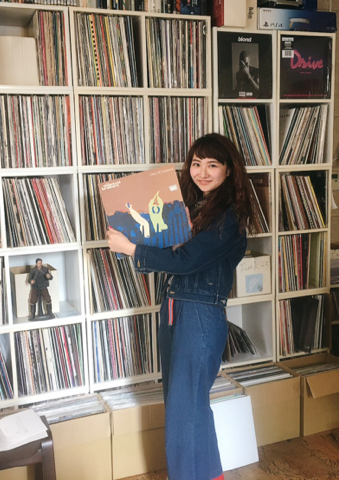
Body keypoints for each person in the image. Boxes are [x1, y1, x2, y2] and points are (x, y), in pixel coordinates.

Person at [106, 133, 260, 480]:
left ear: (229, 170)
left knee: (184, 412)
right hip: (176, 309)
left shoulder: (229, 218)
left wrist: (131, 249)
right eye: (196, 164)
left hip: (200, 315)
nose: (202, 172)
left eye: (212, 165)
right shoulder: (198, 209)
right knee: (187, 407)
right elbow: (176, 254)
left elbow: (186, 261)